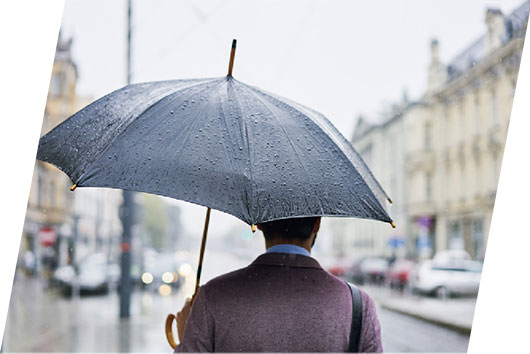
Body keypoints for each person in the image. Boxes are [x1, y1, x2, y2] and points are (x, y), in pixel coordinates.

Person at [174, 216, 383, 352]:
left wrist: (186, 340)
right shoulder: (358, 306)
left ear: (260, 223)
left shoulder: (213, 296)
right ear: (316, 224)